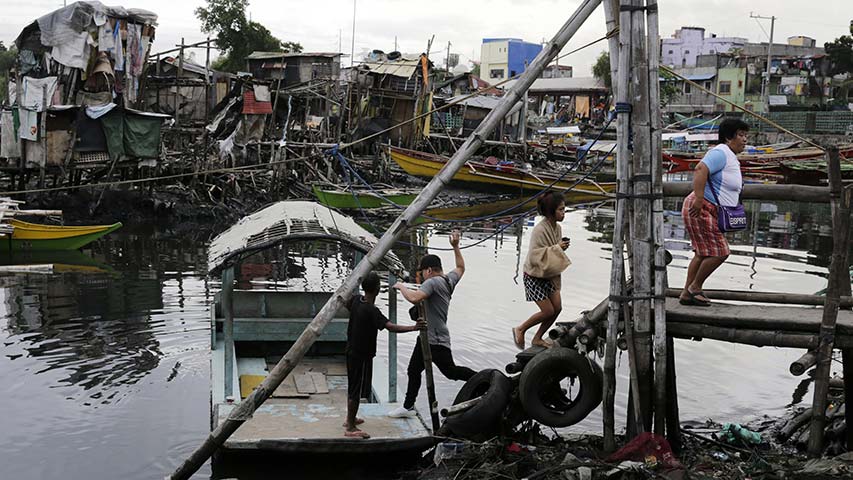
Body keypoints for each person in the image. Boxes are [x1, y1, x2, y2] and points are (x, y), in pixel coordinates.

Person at [387, 230, 476, 418]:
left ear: (428, 270)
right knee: (413, 370)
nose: (422, 277)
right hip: (427, 336)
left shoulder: (432, 282)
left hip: (435, 339)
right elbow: (461, 267)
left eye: (422, 273)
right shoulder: (448, 279)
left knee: (450, 372)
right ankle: (408, 406)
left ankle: (483, 379)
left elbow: (413, 298)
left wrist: (401, 287)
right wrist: (456, 246)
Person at [344, 271, 424, 438]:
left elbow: (344, 301)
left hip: (351, 350)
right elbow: (390, 327)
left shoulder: (356, 301)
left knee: (353, 386)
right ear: (378, 289)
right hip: (362, 354)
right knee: (356, 390)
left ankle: (349, 419)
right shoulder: (372, 311)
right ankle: (350, 428)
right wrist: (413, 328)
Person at [679, 118, 749, 306]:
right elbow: (701, 169)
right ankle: (695, 288)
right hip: (702, 207)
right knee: (721, 252)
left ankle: (687, 293)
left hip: (707, 208)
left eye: (746, 135)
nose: (745, 140)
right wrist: (700, 199)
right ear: (728, 137)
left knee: (702, 253)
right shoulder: (721, 152)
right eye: (741, 135)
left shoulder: (729, 155)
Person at [512, 191, 571, 349]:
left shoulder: (557, 228)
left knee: (557, 308)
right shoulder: (539, 230)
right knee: (547, 311)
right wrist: (557, 248)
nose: (563, 213)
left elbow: (551, 251)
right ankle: (521, 329)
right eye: (561, 209)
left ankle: (537, 338)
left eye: (564, 209)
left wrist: (559, 248)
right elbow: (535, 256)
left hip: (549, 274)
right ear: (551, 211)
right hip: (534, 275)